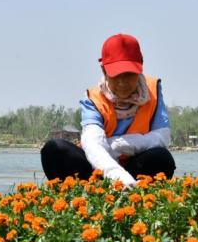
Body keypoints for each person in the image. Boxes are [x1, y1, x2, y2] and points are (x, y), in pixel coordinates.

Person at [41, 33, 175, 187]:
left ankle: (134, 192)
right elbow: (92, 143)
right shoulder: (93, 98)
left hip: (136, 165)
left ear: (140, 69)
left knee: (162, 157)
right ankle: (91, 191)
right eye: (116, 75)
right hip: (97, 168)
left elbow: (162, 137)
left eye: (129, 74)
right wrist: (117, 176)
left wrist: (123, 144)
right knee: (54, 150)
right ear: (104, 70)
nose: (123, 83)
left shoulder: (153, 90)